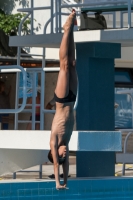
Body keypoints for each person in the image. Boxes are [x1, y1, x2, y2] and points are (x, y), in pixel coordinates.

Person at [48, 10, 78, 189]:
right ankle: (72, 29)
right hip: (72, 99)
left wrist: (58, 183)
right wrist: (67, 181)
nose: (65, 152)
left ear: (56, 153)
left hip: (61, 99)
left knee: (64, 65)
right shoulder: (66, 141)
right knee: (73, 62)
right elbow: (65, 163)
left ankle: (66, 30)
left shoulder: (54, 140)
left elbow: (57, 164)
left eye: (62, 154)